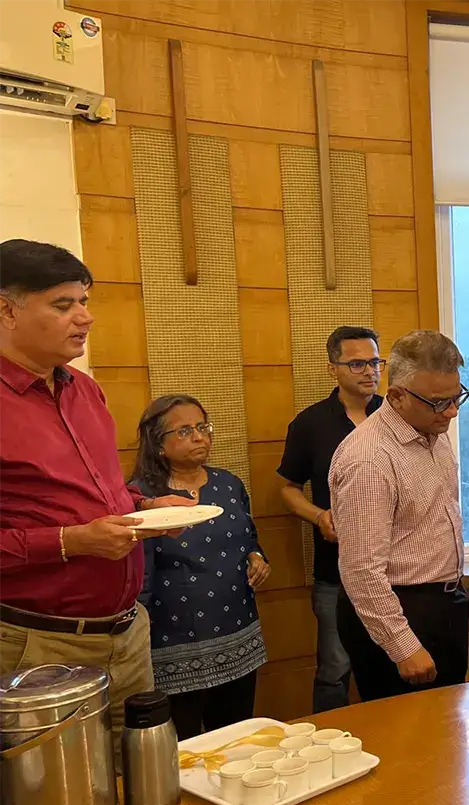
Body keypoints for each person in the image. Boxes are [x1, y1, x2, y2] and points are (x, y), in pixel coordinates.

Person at [0, 240, 188, 763]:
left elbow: (100, 494)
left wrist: (143, 510)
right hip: (37, 644)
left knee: (142, 780)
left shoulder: (84, 389)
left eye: (84, 301)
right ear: (7, 310)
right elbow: (69, 527)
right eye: (63, 305)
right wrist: (70, 542)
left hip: (127, 633)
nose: (85, 317)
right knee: (56, 797)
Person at [329, 330, 469, 702]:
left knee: (448, 722)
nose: (452, 412)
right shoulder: (368, 460)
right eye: (440, 402)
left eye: (457, 397)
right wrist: (402, 646)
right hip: (399, 611)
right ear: (396, 397)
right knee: (406, 731)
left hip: (444, 604)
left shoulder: (433, 430)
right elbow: (361, 570)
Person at [133, 395, 270, 740]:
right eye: (183, 431)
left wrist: (256, 556)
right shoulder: (143, 497)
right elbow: (136, 571)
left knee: (238, 738)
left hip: (237, 636)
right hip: (173, 645)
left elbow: (248, 537)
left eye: (202, 427)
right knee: (185, 746)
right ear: (158, 444)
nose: (199, 437)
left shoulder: (228, 484)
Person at [277, 325, 384, 713]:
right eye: (357, 364)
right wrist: (319, 515)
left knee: (393, 663)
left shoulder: (396, 416)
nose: (369, 371)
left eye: (375, 362)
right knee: (335, 669)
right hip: (334, 572)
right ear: (332, 369)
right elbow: (287, 488)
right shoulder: (310, 424)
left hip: (394, 570)